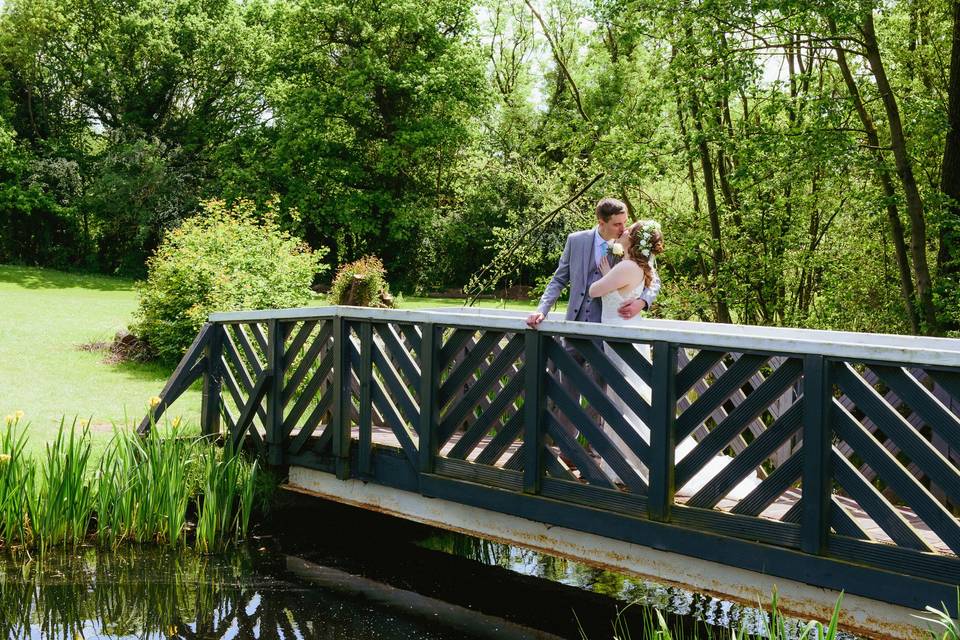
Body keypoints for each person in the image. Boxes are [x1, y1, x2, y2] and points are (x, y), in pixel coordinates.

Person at [589, 221, 761, 500]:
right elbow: (648, 282)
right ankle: (626, 463)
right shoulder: (643, 269)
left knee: (625, 400)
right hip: (629, 337)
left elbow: (595, 290)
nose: (623, 233)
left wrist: (608, 275)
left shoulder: (627, 267)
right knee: (633, 399)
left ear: (634, 240)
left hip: (619, 338)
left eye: (628, 231)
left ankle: (628, 465)